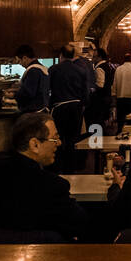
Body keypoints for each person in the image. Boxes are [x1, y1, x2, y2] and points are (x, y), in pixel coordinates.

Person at [0, 113, 93, 239]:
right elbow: (81, 225)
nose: (59, 143)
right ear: (35, 145)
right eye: (55, 138)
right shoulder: (52, 186)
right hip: (44, 254)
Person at [47, 44, 89, 173]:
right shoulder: (81, 70)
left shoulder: (53, 69)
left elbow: (48, 90)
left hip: (59, 107)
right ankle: (71, 167)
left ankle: (58, 167)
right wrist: (82, 106)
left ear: (61, 55)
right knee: (73, 139)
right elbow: (85, 93)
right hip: (76, 108)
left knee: (57, 138)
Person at [13, 44, 49, 113]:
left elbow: (28, 93)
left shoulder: (33, 70)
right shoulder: (42, 68)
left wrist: (14, 95)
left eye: (19, 61)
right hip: (42, 109)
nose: (20, 64)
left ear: (25, 58)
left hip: (34, 112)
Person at [86, 48, 115, 133]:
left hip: (100, 99)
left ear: (99, 57)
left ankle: (96, 141)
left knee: (97, 121)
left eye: (94, 57)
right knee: (102, 121)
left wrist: (91, 88)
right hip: (107, 97)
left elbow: (100, 85)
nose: (93, 59)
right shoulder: (107, 65)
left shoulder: (99, 68)